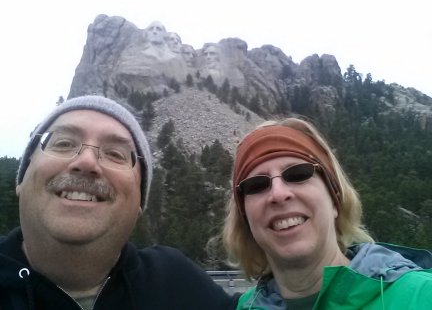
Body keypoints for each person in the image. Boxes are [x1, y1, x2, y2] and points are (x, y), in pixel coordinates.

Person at [0, 95, 238, 310]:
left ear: (139, 203)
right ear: (21, 178)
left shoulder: (179, 282)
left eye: (115, 154)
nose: (86, 162)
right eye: (63, 144)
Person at [223, 117, 432, 309]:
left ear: (334, 198)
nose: (278, 194)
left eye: (298, 174)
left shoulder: (421, 296)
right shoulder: (245, 307)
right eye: (256, 185)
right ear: (246, 220)